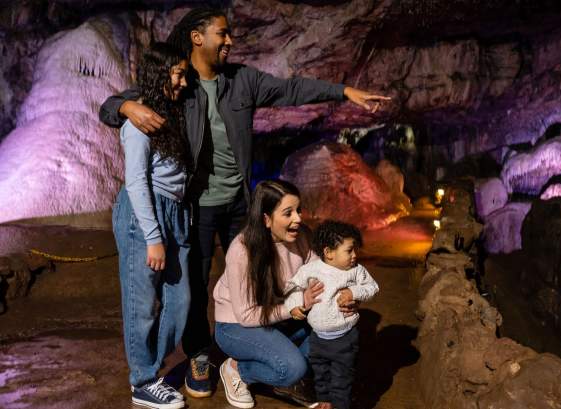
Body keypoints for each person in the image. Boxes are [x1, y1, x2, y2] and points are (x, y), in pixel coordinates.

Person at [99, 7, 390, 398]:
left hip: (240, 202)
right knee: (195, 286)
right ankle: (201, 354)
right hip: (195, 205)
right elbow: (120, 101)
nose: (231, 41)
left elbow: (291, 89)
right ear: (198, 37)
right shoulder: (179, 83)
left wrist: (342, 91)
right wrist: (123, 106)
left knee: (258, 272)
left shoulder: (242, 81)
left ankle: (266, 344)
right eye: (223, 33)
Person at [214, 180, 344, 408]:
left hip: (277, 319)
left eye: (298, 210)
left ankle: (288, 374)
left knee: (331, 336)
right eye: (288, 213)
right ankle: (237, 369)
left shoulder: (301, 235)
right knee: (292, 368)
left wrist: (340, 294)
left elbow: (318, 273)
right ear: (266, 219)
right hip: (237, 326)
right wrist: (296, 306)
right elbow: (246, 315)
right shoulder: (242, 251)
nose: (298, 219)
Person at [112, 42, 191, 409]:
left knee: (180, 300)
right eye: (177, 73)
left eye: (184, 74)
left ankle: (150, 370)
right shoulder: (138, 122)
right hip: (144, 214)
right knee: (141, 304)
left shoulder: (172, 113)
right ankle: (142, 381)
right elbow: (137, 182)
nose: (183, 81)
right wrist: (153, 237)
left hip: (175, 211)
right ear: (158, 74)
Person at [284, 220, 379, 409]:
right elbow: (293, 286)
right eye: (349, 250)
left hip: (345, 339)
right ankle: (324, 402)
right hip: (317, 339)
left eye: (355, 250)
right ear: (328, 253)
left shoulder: (356, 271)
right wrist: (294, 305)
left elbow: (373, 287)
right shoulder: (311, 270)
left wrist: (354, 293)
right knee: (320, 375)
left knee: (341, 380)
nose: (354, 255)